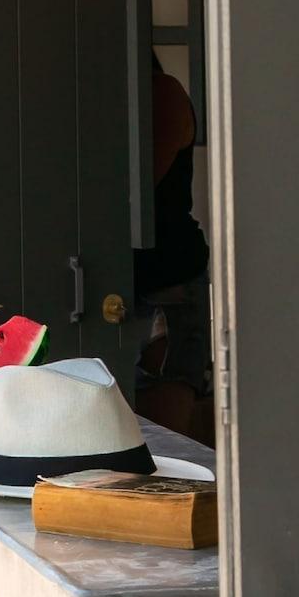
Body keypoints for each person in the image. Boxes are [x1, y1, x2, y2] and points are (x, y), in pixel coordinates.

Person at [133, 55, 211, 432]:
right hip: (138, 283)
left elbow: (132, 192)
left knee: (164, 448)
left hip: (165, 286)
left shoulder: (162, 93)